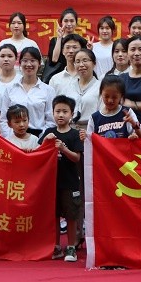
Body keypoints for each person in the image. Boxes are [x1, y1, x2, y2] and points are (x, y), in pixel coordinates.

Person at [39, 95, 83, 262]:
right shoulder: (49, 132)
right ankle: (56, 246)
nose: (61, 115)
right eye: (57, 111)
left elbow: (77, 158)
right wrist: (46, 142)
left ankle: (71, 247)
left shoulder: (75, 134)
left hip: (70, 182)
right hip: (52, 182)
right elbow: (39, 152)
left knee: (71, 216)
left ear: (72, 114)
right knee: (54, 216)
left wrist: (64, 149)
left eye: (65, 111)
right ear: (52, 113)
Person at [1, 47, 55, 136]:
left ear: (39, 63)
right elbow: (3, 119)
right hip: (14, 137)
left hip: (38, 137)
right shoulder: (10, 89)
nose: (29, 64)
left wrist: (40, 139)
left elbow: (51, 121)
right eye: (25, 60)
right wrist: (11, 138)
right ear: (20, 63)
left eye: (33, 60)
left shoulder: (48, 90)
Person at [87, 75, 141, 139]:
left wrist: (134, 128)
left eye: (114, 97)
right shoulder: (94, 118)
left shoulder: (127, 113)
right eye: (106, 96)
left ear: (121, 96)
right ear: (101, 93)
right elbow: (90, 141)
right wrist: (86, 137)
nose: (110, 100)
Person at [64, 48, 102, 132]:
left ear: (94, 63)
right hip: (71, 131)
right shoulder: (69, 86)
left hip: (92, 130)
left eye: (85, 60)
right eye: (77, 62)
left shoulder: (100, 87)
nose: (81, 65)